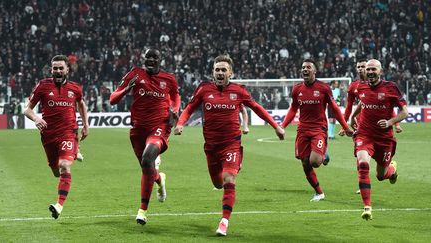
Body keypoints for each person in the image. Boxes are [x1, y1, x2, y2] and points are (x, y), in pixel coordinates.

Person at [174, 55, 284, 236]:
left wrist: (276, 126)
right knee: (217, 183)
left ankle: (224, 221)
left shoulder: (239, 91)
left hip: (231, 144)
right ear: (212, 72)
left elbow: (257, 108)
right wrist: (180, 124)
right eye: (217, 69)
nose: (220, 72)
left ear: (231, 73)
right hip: (211, 147)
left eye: (224, 70)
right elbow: (189, 108)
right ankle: (227, 181)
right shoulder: (203, 90)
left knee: (228, 179)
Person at [109, 48, 180, 225]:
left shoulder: (169, 78)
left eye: (154, 57)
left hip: (160, 127)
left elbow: (176, 96)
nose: (150, 59)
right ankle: (159, 179)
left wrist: (175, 109)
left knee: (148, 159)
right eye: (147, 56)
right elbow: (112, 99)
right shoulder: (134, 74)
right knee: (147, 168)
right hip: (138, 130)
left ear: (159, 60)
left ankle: (142, 211)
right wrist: (126, 89)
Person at [24, 55, 89, 219]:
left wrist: (86, 126)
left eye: (61, 68)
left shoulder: (75, 88)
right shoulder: (43, 86)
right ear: (51, 69)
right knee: (55, 172)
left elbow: (81, 104)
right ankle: (75, 152)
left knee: (64, 165)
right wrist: (37, 118)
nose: (58, 71)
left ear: (68, 69)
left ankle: (59, 205)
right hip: (48, 136)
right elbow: (27, 109)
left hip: (68, 132)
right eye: (55, 68)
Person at [281, 59, 353, 202]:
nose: (305, 70)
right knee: (305, 163)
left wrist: (345, 126)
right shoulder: (297, 89)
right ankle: (319, 192)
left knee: (314, 161)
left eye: (308, 67)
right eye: (303, 67)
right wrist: (282, 126)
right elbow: (293, 109)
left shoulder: (323, 88)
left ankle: (324, 155)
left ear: (314, 71)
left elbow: (334, 108)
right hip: (302, 130)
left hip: (318, 129)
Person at [350, 59, 408, 220]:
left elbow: (405, 112)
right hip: (365, 135)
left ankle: (392, 170)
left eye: (373, 69)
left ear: (380, 71)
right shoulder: (360, 87)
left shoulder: (390, 87)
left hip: (384, 139)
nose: (370, 71)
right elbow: (363, 102)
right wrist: (352, 118)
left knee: (381, 176)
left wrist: (390, 122)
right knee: (362, 164)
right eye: (368, 69)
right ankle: (367, 207)